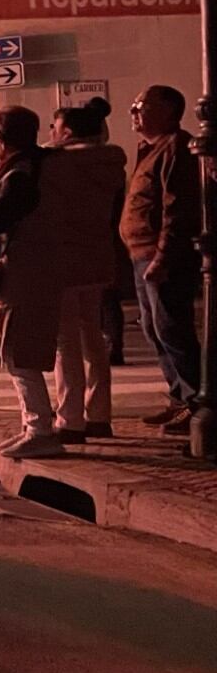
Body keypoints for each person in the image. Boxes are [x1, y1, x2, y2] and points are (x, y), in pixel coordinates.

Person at [0, 106, 68, 459]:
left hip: (23, 269)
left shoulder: (19, 174)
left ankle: (39, 429)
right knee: (20, 347)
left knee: (17, 350)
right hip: (38, 264)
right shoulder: (44, 165)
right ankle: (34, 426)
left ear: (0, 142)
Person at [121, 84, 201, 433]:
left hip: (158, 255)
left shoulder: (176, 149)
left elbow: (176, 207)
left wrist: (163, 256)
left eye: (141, 106)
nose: (134, 112)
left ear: (169, 111)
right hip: (140, 253)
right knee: (154, 329)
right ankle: (179, 396)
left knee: (171, 327)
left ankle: (195, 403)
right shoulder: (149, 149)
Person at [46, 103, 127, 444]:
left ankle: (70, 418)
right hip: (98, 255)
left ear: (67, 131)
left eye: (55, 126)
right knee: (93, 337)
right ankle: (99, 414)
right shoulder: (111, 162)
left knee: (66, 342)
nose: (51, 132)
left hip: (64, 257)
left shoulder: (59, 163)